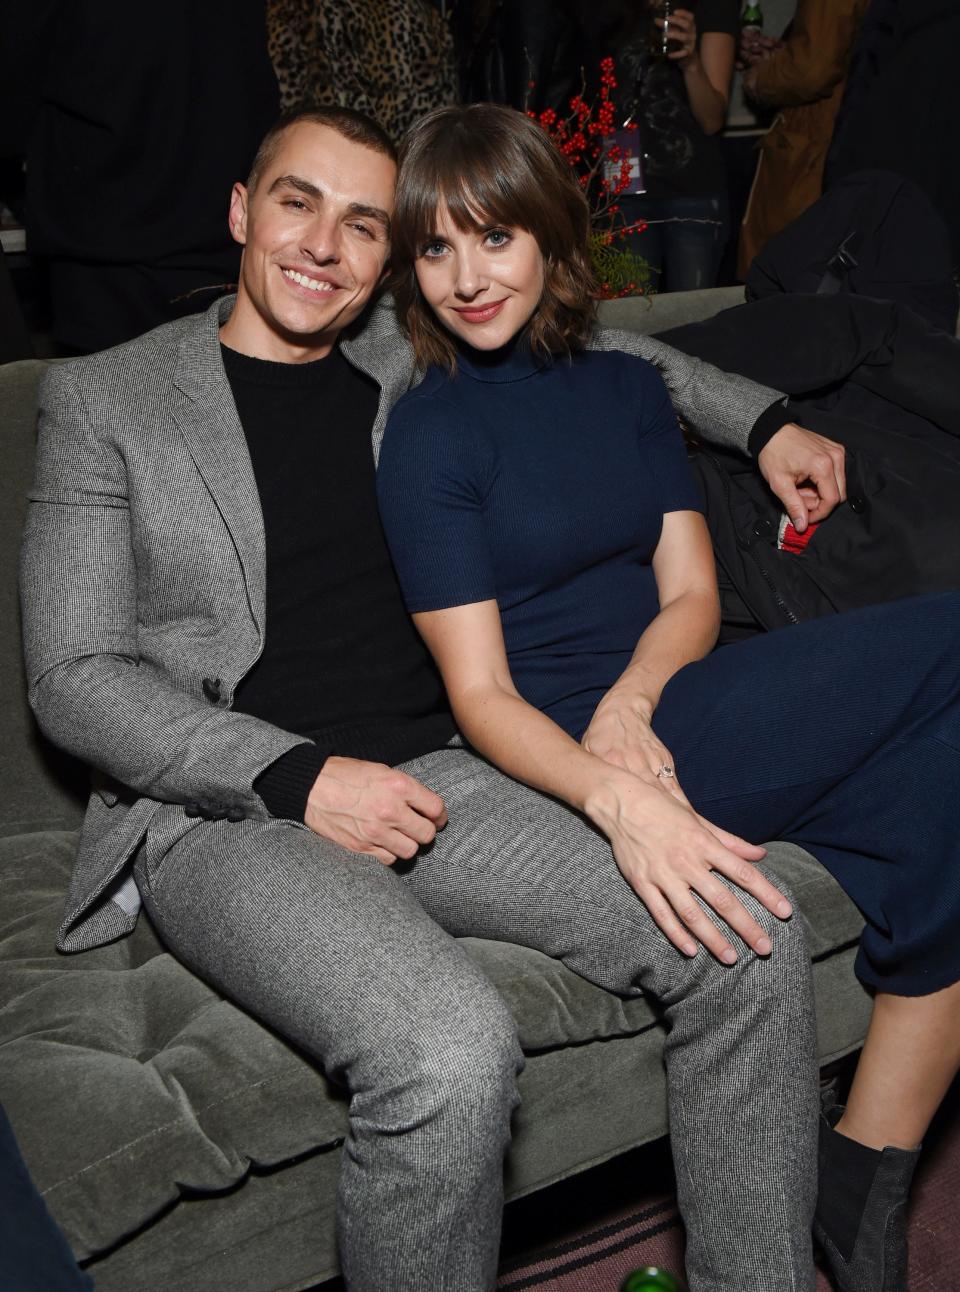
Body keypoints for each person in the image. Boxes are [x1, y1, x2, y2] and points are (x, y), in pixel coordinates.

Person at [21, 105, 848, 1292]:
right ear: (243, 212)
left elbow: (623, 355)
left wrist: (762, 422)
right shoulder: (108, 399)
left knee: (746, 938)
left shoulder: (404, 351)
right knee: (452, 1051)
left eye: (364, 224)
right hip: (231, 813)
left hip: (446, 771)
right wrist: (303, 777)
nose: (324, 245)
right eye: (297, 203)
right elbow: (74, 676)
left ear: (387, 254)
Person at [377, 101, 960, 1292]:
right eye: (435, 247)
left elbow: (690, 593)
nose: (466, 275)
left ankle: (867, 1168)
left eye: (493, 236)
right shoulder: (428, 436)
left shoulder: (630, 388)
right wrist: (608, 773)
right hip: (565, 754)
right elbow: (480, 692)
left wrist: (634, 697)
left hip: (674, 700)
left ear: (549, 234)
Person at [582, 1, 740, 291]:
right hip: (620, 190)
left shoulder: (712, 7)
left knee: (694, 324)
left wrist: (691, 63)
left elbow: (712, 120)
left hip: (693, 192)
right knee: (631, 324)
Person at [737, 0, 868, 277]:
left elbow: (813, 70)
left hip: (818, 150)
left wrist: (761, 79)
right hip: (844, 140)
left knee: (792, 280)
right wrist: (786, 56)